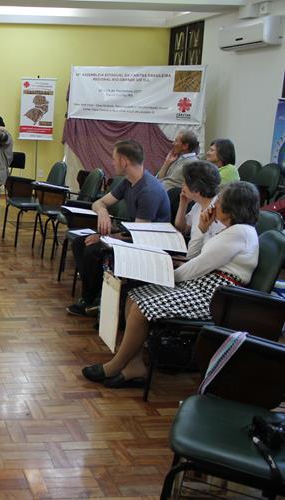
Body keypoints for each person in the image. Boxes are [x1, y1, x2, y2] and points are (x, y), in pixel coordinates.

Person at [82, 181, 260, 388]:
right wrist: (202, 229)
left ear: (230, 209)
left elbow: (197, 266)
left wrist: (165, 276)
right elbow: (195, 256)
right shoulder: (232, 230)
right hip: (204, 285)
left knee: (140, 307)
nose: (214, 205)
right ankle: (134, 366)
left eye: (219, 201)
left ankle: (116, 364)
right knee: (134, 296)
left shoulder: (239, 233)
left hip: (216, 296)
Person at [67, 140, 170, 316]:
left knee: (93, 250)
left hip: (149, 244)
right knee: (79, 243)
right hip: (132, 233)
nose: (112, 162)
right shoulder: (128, 182)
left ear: (124, 161)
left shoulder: (149, 190)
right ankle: (93, 296)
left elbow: (140, 236)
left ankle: (92, 300)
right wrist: (103, 213)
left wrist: (104, 238)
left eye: (114, 159)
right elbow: (98, 203)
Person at [174, 161, 225, 248]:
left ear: (196, 191)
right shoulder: (198, 205)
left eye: (185, 183)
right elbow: (183, 229)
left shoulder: (216, 213)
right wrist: (183, 204)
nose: (182, 185)